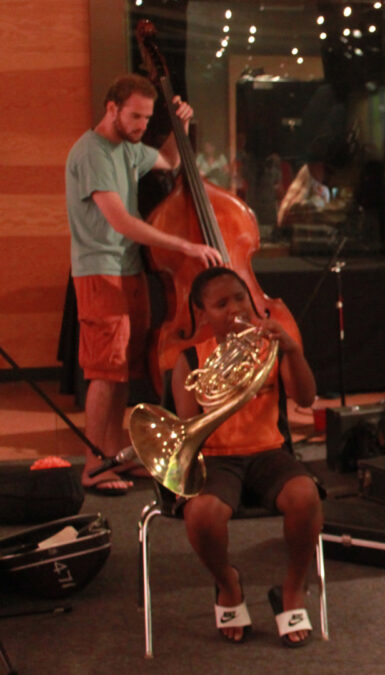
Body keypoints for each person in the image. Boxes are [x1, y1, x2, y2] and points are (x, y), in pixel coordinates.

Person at [65, 74, 223, 495]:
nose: (140, 125)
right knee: (105, 369)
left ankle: (112, 454)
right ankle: (92, 465)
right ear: (111, 108)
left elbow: (170, 162)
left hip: (128, 268)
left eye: (147, 117)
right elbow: (120, 220)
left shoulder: (127, 148)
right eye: (135, 116)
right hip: (100, 269)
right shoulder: (92, 152)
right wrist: (184, 246)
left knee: (123, 369)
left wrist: (178, 126)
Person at [173, 266, 321, 647]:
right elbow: (188, 429)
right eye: (221, 304)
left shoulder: (271, 347)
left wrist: (291, 349)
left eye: (240, 298)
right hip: (217, 458)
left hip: (269, 452)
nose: (235, 308)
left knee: (306, 497)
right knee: (202, 515)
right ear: (202, 315)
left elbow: (305, 398)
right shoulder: (190, 359)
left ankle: (292, 589)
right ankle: (228, 584)